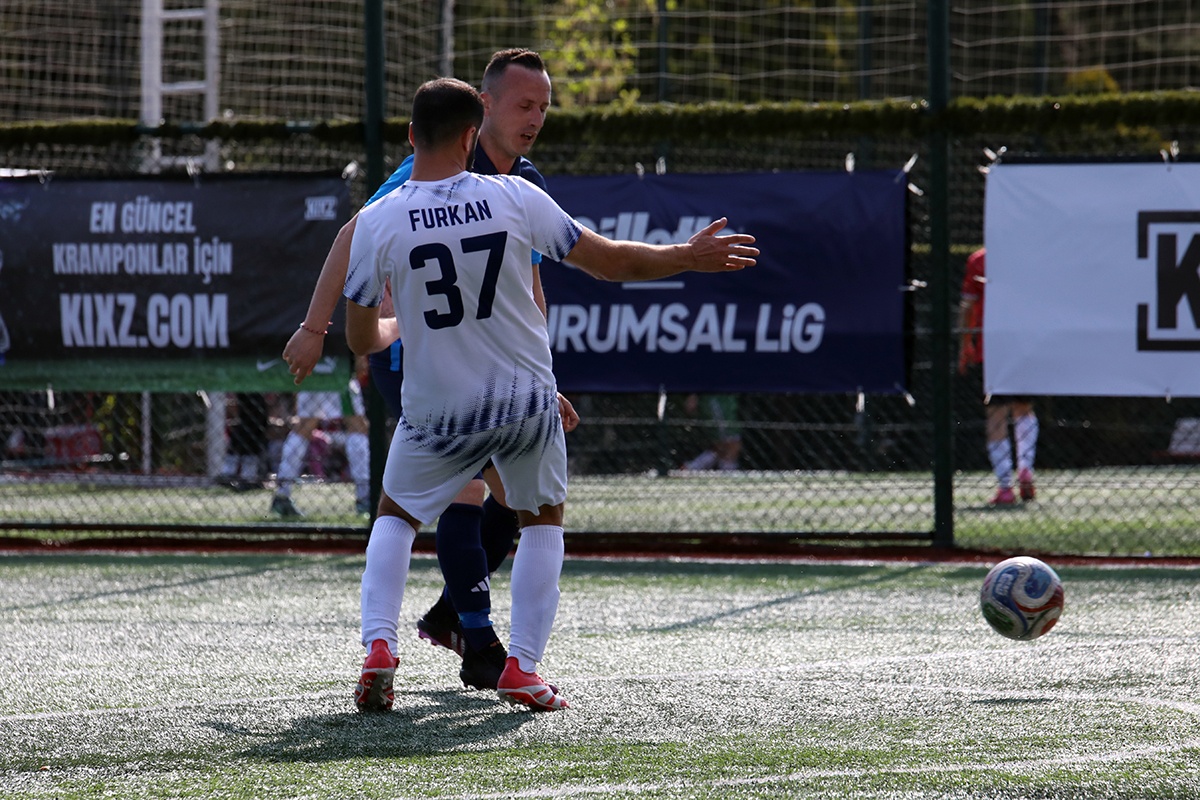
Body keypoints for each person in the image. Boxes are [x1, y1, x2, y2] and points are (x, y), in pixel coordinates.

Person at [341, 76, 757, 712]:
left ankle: (378, 646)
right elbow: (610, 261)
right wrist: (686, 256)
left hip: (438, 410)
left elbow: (361, 337)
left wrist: (396, 326)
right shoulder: (515, 195)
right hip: (525, 404)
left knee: (395, 517)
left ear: (410, 136)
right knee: (542, 519)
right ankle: (524, 667)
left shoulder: (377, 221)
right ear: (471, 136)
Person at [281, 49, 572, 693]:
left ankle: (447, 619)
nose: (534, 118)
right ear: (483, 110)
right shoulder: (432, 167)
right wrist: (314, 326)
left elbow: (531, 288)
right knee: (471, 492)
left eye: (544, 107)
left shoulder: (523, 183)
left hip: (493, 369)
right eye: (523, 105)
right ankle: (480, 640)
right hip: (413, 356)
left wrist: (542, 380)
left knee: (507, 500)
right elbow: (354, 235)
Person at [958, 247, 1038, 506]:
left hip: (991, 348)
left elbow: (967, 306)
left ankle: (1005, 486)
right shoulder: (1026, 254)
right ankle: (1025, 469)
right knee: (1024, 408)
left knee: (996, 416)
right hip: (1024, 344)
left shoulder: (980, 259)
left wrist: (965, 343)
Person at [270, 370, 371, 517]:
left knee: (304, 427)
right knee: (356, 426)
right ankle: (365, 496)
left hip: (313, 370)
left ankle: (282, 494)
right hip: (337, 368)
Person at [680, 394, 741, 471]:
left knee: (728, 445)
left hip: (725, 398)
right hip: (717, 401)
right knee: (729, 443)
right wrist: (693, 395)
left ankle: (691, 468)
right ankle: (691, 468)